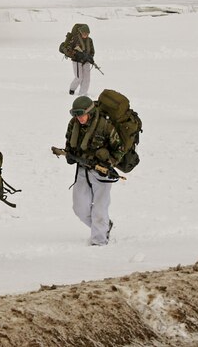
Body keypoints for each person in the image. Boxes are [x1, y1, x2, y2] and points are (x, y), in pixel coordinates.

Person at [62, 96, 124, 246]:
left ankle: (99, 242)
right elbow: (69, 141)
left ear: (90, 112)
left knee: (100, 209)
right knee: (79, 208)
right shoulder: (73, 124)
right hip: (83, 169)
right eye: (75, 114)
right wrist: (69, 155)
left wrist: (109, 164)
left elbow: (119, 149)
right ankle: (104, 227)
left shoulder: (105, 126)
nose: (79, 118)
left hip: (102, 173)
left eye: (81, 114)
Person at [68, 24, 95, 96]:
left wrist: (90, 57)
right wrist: (76, 54)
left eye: (87, 33)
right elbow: (69, 49)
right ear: (81, 32)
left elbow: (92, 51)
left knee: (87, 79)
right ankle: (72, 89)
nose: (85, 34)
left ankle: (82, 93)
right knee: (79, 77)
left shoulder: (90, 40)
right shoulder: (75, 39)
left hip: (86, 61)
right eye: (84, 33)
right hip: (77, 61)